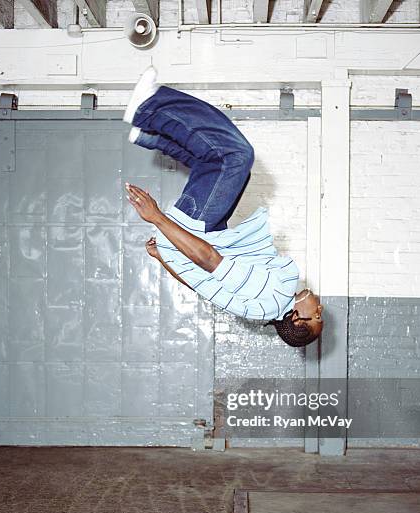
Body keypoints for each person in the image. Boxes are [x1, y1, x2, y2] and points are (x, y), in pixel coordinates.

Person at [123, 65, 323, 347]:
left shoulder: (273, 296)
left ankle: (148, 108)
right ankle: (149, 137)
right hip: (199, 239)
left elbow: (209, 261)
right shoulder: (263, 306)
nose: (319, 309)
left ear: (297, 320)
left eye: (316, 317)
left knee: (237, 156)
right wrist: (163, 257)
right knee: (228, 171)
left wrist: (156, 218)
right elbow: (201, 284)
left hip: (195, 235)